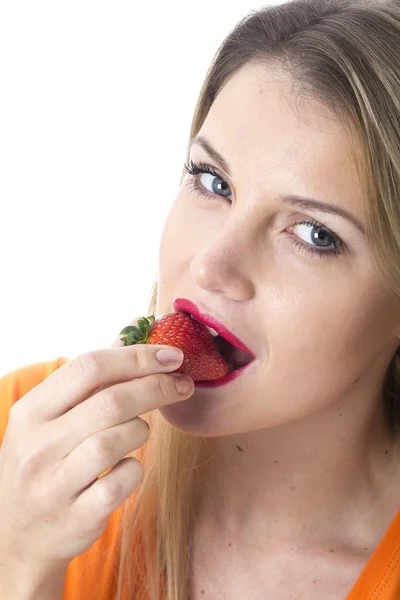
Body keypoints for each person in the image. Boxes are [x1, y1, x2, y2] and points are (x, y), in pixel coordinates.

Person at [2, 0, 400, 598]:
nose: (212, 264)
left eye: (315, 235)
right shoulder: (19, 433)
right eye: (213, 182)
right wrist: (20, 563)